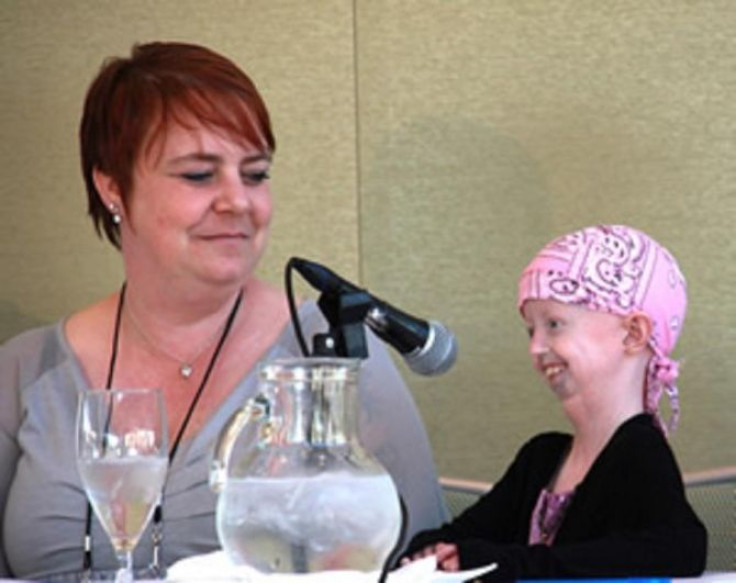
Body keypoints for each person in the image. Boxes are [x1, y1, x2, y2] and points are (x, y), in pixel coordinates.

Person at [0, 41, 448, 581]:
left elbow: (424, 560)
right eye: (199, 175)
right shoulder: (26, 369)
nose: (238, 201)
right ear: (112, 186)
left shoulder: (331, 353)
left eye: (255, 174)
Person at [401, 224, 707, 580]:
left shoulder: (638, 450)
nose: (535, 347)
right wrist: (434, 551)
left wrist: (504, 564)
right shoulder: (541, 458)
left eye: (555, 325)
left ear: (634, 333)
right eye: (531, 330)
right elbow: (463, 535)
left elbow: (679, 548)